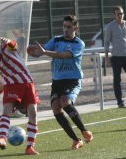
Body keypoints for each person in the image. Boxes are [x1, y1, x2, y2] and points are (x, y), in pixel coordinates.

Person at [28, 14, 93, 150]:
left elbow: (64, 55)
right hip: (57, 80)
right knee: (56, 107)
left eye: (69, 27)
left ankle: (84, 130)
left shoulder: (79, 43)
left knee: (64, 102)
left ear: (76, 27)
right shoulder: (56, 40)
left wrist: (45, 52)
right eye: (64, 26)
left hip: (72, 79)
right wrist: (32, 50)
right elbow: (41, 51)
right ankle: (76, 140)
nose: (65, 29)